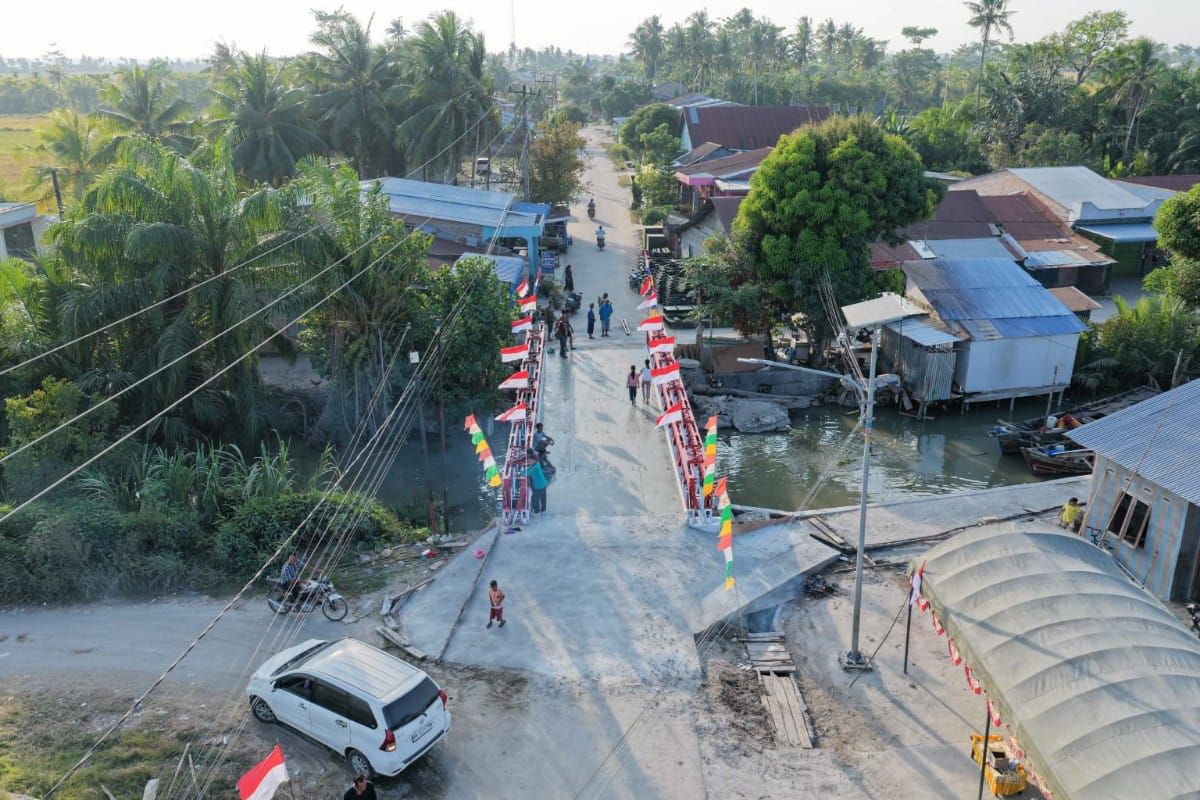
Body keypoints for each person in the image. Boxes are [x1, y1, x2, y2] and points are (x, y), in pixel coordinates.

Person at [525, 448, 549, 515]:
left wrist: (521, 472)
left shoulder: (535, 466)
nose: (528, 461)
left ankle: (536, 511)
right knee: (542, 498)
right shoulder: (536, 462)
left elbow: (528, 472)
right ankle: (542, 511)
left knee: (536, 497)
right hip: (543, 483)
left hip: (538, 484)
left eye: (529, 460)